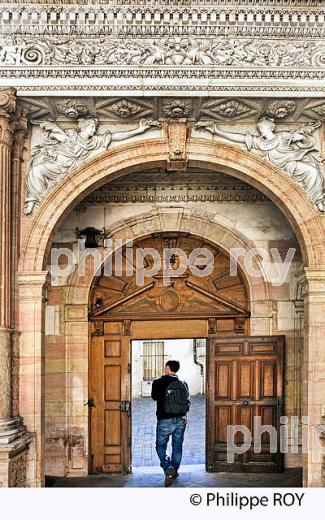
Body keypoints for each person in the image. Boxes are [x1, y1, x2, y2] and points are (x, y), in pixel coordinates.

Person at [151, 360, 190, 487]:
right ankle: (174, 471)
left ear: (168, 368)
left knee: (160, 446)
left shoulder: (158, 382)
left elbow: (154, 397)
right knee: (177, 446)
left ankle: (168, 467)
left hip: (164, 419)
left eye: (165, 366)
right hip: (181, 420)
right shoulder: (183, 383)